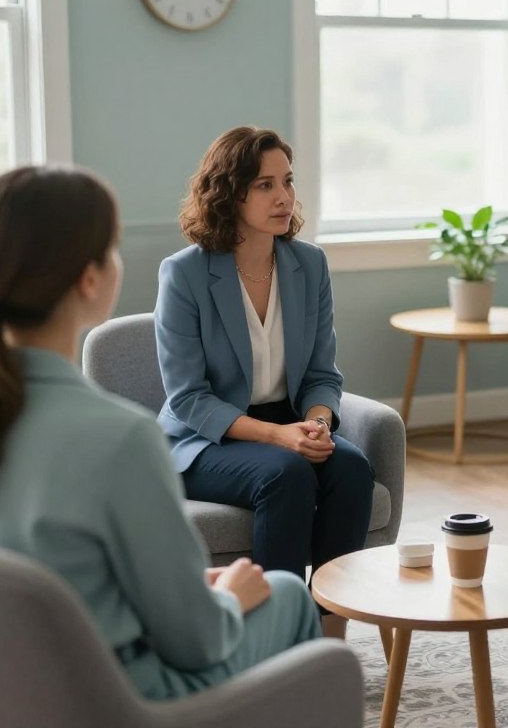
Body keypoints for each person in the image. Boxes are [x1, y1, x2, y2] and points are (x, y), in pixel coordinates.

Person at [0, 166, 320, 700]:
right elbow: (199, 642)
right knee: (287, 592)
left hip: (0, 691)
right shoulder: (121, 440)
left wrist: (199, 590)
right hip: (119, 698)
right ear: (90, 279)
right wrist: (233, 597)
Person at [154, 126, 374, 637]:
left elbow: (323, 372)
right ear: (229, 193)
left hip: (290, 422)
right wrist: (278, 436)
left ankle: (328, 633)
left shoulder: (309, 264)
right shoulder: (185, 274)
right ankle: (277, 637)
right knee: (286, 474)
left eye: (288, 181)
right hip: (206, 438)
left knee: (352, 468)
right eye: (264, 185)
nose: (284, 197)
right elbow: (187, 398)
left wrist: (317, 423)